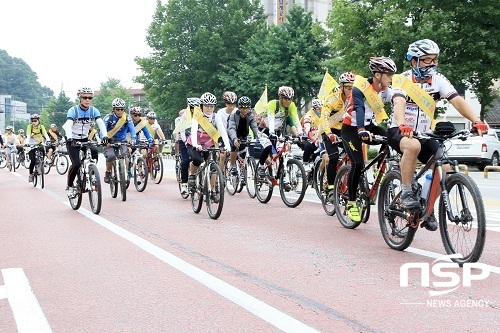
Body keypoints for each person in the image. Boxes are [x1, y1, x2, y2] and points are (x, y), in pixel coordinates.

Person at [389, 39, 488, 231]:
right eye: (426, 60)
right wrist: (402, 124)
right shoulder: (402, 80)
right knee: (413, 146)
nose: (432, 64)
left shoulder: (438, 80)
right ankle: (407, 191)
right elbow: (399, 102)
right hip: (399, 131)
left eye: (434, 59)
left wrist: (476, 120)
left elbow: (456, 100)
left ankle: (429, 209)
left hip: (425, 133)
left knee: (446, 165)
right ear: (413, 61)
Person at [341, 57, 396, 222]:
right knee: (357, 164)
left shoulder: (386, 90)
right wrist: (361, 130)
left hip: (369, 126)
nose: (391, 77)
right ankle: (351, 202)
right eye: (389, 74)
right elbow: (358, 108)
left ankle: (381, 164)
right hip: (351, 129)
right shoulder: (361, 87)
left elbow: (400, 101)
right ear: (378, 74)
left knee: (392, 138)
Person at [63, 87, 108, 196]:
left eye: (90, 97)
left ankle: (92, 173)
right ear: (80, 98)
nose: (87, 100)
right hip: (72, 139)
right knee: (76, 164)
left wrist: (105, 136)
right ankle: (69, 186)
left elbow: (100, 123)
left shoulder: (93, 110)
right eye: (85, 97)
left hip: (84, 138)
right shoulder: (73, 110)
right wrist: (69, 138)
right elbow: (68, 124)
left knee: (94, 151)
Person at [186, 92, 231, 200]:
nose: (209, 108)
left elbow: (222, 131)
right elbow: (193, 131)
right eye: (207, 106)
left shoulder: (216, 117)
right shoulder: (197, 116)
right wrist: (196, 144)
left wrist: (227, 146)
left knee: (213, 166)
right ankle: (192, 176)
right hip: (194, 143)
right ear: (202, 106)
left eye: (211, 106)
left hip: (208, 144)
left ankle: (213, 191)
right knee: (197, 160)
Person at [257, 86, 303, 185]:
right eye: (286, 98)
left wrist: (301, 134)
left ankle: (283, 176)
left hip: (278, 132)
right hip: (265, 131)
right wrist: (272, 132)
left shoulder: (291, 106)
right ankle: (261, 167)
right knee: (268, 147)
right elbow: (271, 118)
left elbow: (296, 120)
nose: (288, 101)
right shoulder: (273, 104)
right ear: (280, 98)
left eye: (290, 99)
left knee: (282, 152)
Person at [321, 72, 355, 194]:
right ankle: (330, 188)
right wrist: (329, 133)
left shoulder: (355, 99)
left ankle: (347, 181)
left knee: (355, 157)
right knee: (333, 157)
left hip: (344, 130)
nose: (350, 90)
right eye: (347, 87)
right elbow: (324, 117)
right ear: (341, 87)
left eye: (353, 87)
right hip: (329, 130)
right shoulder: (332, 99)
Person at [102, 98, 137, 183]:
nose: (120, 111)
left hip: (122, 140)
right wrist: (104, 140)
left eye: (122, 109)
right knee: (111, 156)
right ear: (113, 109)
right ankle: (108, 172)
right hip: (110, 141)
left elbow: (132, 130)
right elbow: (102, 131)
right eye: (117, 109)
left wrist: (133, 139)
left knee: (125, 154)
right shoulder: (108, 118)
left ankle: (125, 173)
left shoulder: (127, 118)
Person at [227, 96, 260, 177]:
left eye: (247, 108)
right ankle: (232, 165)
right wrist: (234, 139)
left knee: (243, 157)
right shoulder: (233, 115)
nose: (245, 110)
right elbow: (231, 128)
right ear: (239, 108)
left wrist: (259, 136)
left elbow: (254, 127)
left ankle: (243, 177)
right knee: (234, 147)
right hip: (233, 135)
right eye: (242, 108)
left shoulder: (250, 116)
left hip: (243, 136)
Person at [174, 97, 199, 195]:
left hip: (196, 140)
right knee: (185, 161)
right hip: (184, 141)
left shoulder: (200, 115)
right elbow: (182, 132)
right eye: (192, 107)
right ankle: (184, 183)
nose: (194, 109)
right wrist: (185, 142)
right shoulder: (184, 116)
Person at [25, 113, 50, 182]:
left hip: (39, 143)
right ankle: (30, 175)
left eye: (35, 120)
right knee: (32, 160)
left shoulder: (41, 127)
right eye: (32, 121)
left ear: (38, 120)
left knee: (44, 150)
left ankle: (41, 164)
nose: (34, 122)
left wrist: (48, 140)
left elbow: (45, 134)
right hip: (31, 144)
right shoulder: (30, 127)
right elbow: (28, 135)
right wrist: (27, 143)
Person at [217, 91, 238, 172]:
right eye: (229, 104)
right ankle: (221, 175)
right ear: (226, 104)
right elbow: (219, 128)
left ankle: (234, 167)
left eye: (233, 104)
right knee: (223, 156)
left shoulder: (237, 112)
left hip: (234, 136)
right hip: (223, 135)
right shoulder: (220, 112)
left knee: (238, 153)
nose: (232, 107)